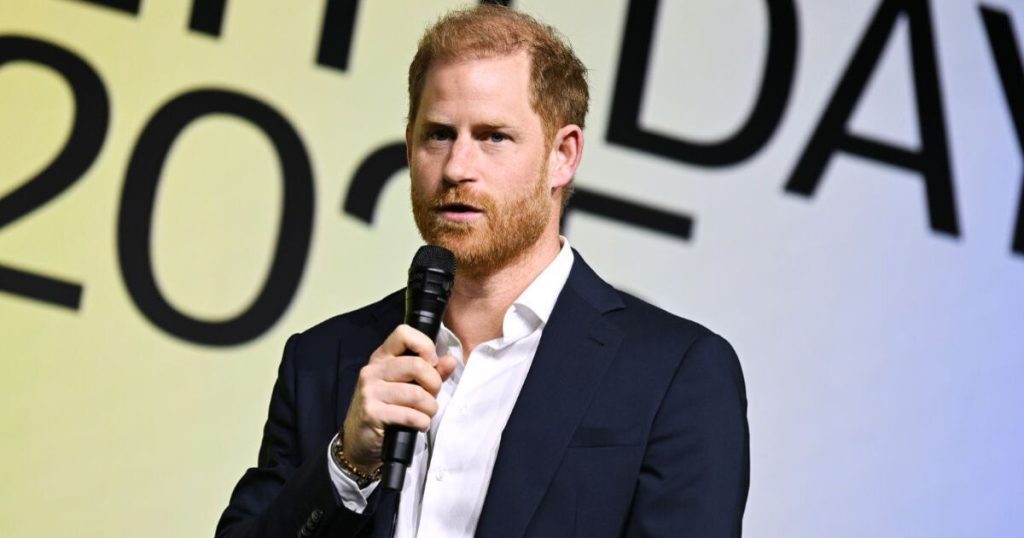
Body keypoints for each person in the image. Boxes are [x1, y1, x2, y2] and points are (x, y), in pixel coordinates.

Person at [216, 5, 749, 537]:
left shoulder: (674, 374)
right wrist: (347, 464)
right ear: (409, 146)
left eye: (494, 137)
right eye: (438, 135)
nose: (456, 168)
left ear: (563, 156)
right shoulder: (322, 360)